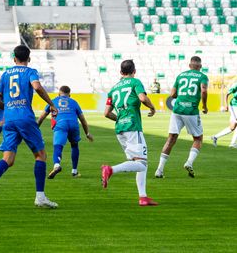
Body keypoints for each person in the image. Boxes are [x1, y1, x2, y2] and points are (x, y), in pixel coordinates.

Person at [0, 45, 58, 210]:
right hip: (25, 117)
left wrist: (8, 108)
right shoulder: (30, 72)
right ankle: (40, 197)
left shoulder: (5, 74)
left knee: (8, 159)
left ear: (14, 58)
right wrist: (51, 104)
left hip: (9, 119)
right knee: (41, 155)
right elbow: (37, 87)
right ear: (29, 58)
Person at [101, 59, 158, 206]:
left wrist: (120, 119)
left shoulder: (113, 89)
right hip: (133, 126)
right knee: (142, 164)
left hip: (120, 129)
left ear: (121, 72)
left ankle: (143, 197)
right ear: (134, 71)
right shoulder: (135, 82)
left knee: (137, 162)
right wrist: (152, 107)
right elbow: (142, 98)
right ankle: (110, 170)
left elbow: (106, 113)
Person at [155, 56, 208, 179]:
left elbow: (172, 94)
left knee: (171, 139)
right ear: (200, 66)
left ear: (189, 66)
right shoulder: (202, 76)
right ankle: (189, 162)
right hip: (191, 111)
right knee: (198, 139)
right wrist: (204, 106)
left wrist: (182, 95)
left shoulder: (181, 75)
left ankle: (159, 170)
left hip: (177, 110)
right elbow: (204, 91)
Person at [37, 85, 93, 179]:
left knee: (58, 146)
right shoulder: (74, 102)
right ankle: (74, 171)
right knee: (74, 145)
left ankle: (57, 165)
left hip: (61, 124)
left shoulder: (52, 101)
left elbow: (41, 118)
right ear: (69, 95)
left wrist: (34, 131)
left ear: (59, 94)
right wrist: (87, 133)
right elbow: (82, 119)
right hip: (73, 124)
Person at [211, 81, 237, 148]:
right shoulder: (235, 85)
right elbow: (227, 94)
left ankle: (215, 137)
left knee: (232, 127)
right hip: (234, 106)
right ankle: (233, 143)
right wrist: (226, 105)